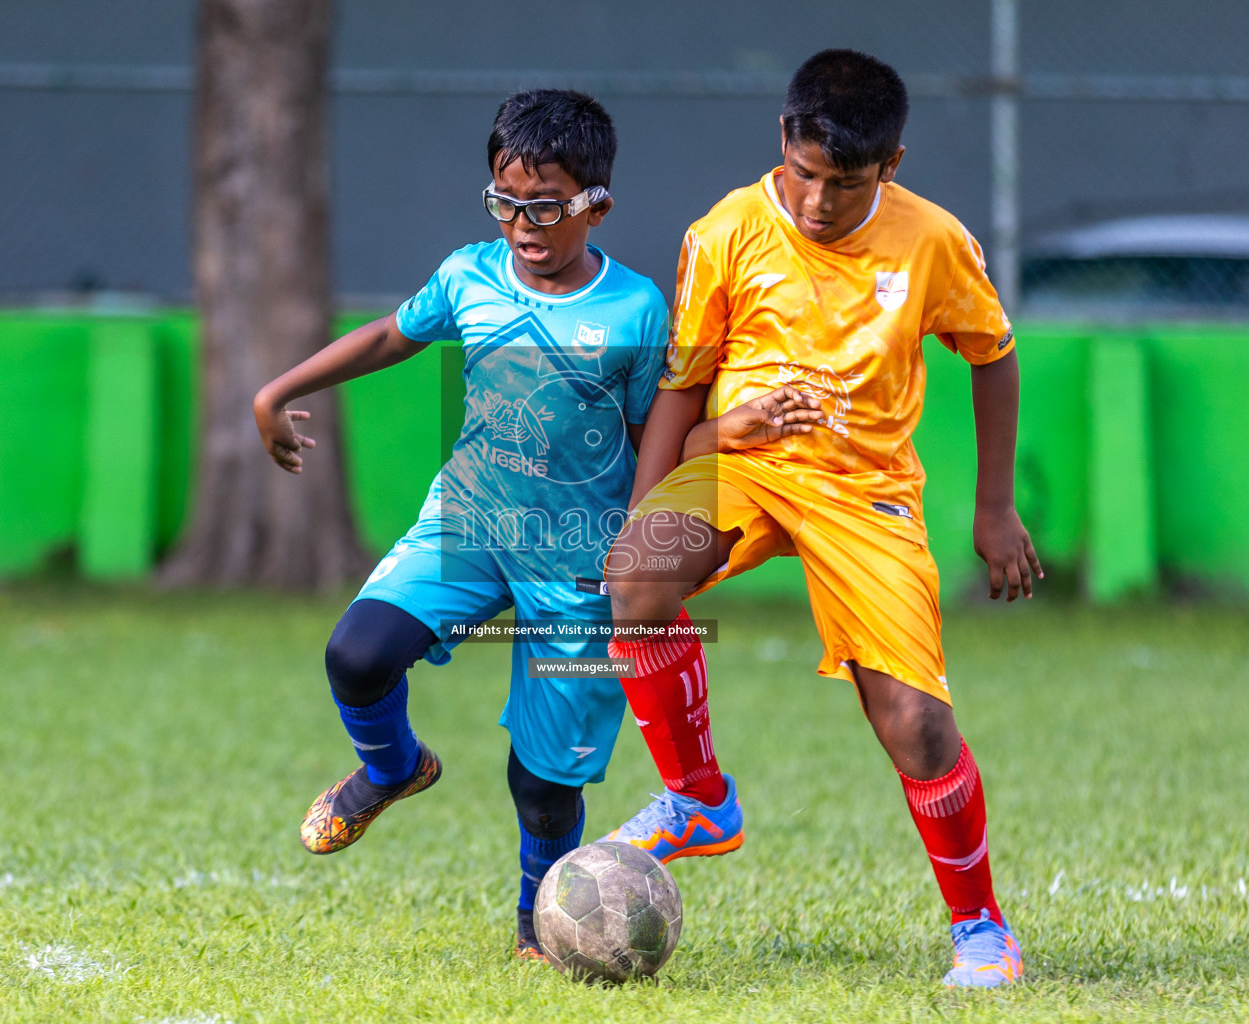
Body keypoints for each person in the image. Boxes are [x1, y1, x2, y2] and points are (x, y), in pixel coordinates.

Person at [600, 49, 1041, 988]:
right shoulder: (724, 231)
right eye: (802, 173)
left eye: (842, 184)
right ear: (783, 144)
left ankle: (981, 929)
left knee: (915, 723)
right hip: (746, 463)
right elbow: (680, 390)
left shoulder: (933, 242)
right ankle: (697, 798)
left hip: (866, 492)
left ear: (892, 165)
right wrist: (640, 520)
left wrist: (994, 508)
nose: (815, 202)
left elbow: (992, 354)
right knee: (634, 580)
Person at [252, 89, 668, 960]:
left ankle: (537, 931)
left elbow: (649, 440)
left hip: (576, 561)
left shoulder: (634, 312)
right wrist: (279, 390)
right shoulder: (468, 275)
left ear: (597, 204)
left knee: (544, 781)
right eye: (505, 202)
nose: (523, 223)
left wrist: (643, 549)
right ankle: (394, 769)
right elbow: (389, 337)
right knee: (356, 655)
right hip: (468, 523)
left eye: (546, 205)